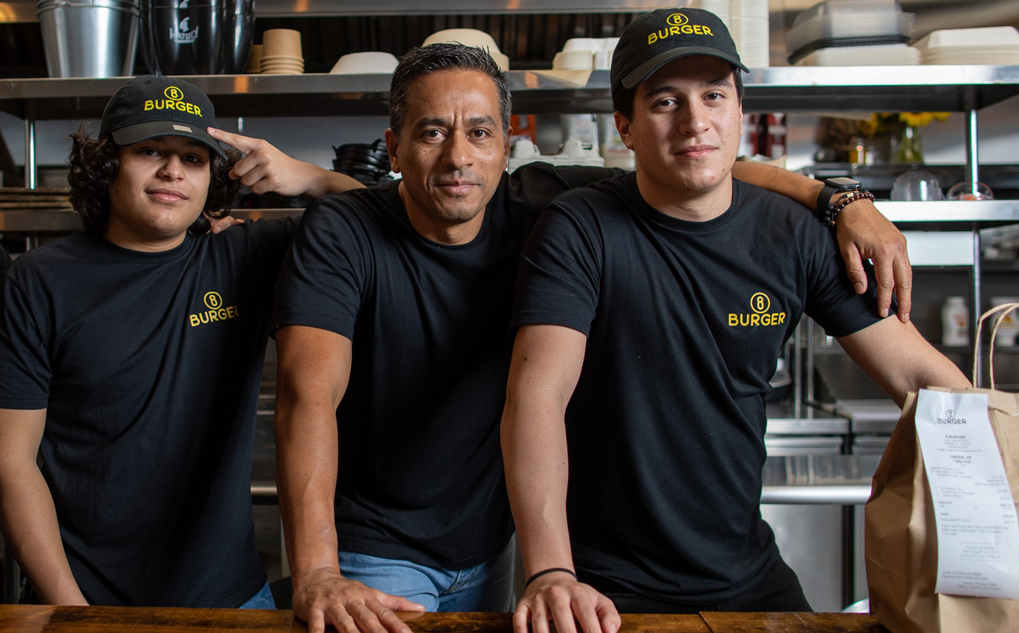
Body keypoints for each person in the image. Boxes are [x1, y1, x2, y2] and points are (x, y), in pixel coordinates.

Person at [270, 42, 912, 633]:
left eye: (480, 133)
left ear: (505, 145)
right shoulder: (340, 233)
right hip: (374, 549)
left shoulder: (543, 209)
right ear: (395, 144)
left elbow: (701, 162)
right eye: (432, 132)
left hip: (485, 547)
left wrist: (842, 202)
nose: (458, 156)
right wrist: (320, 571)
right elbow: (308, 396)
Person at [500, 9, 974, 633]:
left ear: (739, 112)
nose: (696, 122)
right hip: (604, 585)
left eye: (714, 95)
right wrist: (550, 573)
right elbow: (537, 398)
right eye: (665, 101)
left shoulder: (792, 234)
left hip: (748, 574)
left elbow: (926, 385)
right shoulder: (580, 229)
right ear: (627, 127)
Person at [0, 75, 361, 609]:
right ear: (107, 165)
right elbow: (12, 460)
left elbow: (390, 220)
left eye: (193, 159)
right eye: (150, 151)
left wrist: (306, 175)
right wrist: (74, 615)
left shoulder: (245, 256)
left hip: (233, 601)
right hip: (81, 600)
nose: (172, 170)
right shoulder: (37, 281)